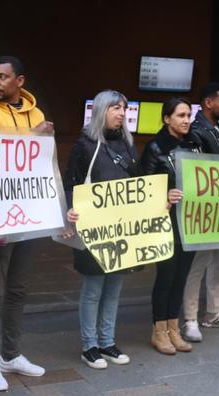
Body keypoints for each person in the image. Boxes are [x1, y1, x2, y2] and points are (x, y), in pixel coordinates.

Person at [0, 56, 49, 390]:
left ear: (20, 81)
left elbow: (43, 162)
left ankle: (11, 354)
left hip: (31, 212)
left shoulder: (37, 113)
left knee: (18, 288)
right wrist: (36, 135)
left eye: (4, 77)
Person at [64, 90, 136, 369]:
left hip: (122, 230)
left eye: (124, 108)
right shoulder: (85, 145)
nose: (121, 113)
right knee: (93, 289)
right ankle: (89, 345)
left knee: (114, 288)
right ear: (102, 110)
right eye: (115, 108)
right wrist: (70, 213)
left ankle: (107, 342)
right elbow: (72, 183)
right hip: (94, 229)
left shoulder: (129, 146)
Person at [178, 83, 219, 343]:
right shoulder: (196, 131)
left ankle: (213, 312)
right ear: (208, 103)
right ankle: (190, 318)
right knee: (199, 264)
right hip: (206, 209)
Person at [139, 97, 199, 355]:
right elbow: (143, 187)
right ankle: (159, 330)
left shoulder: (194, 144)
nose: (186, 120)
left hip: (192, 222)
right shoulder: (155, 148)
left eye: (188, 115)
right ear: (167, 119)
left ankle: (174, 328)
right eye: (180, 116)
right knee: (166, 277)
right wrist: (166, 195)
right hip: (166, 223)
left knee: (181, 277)